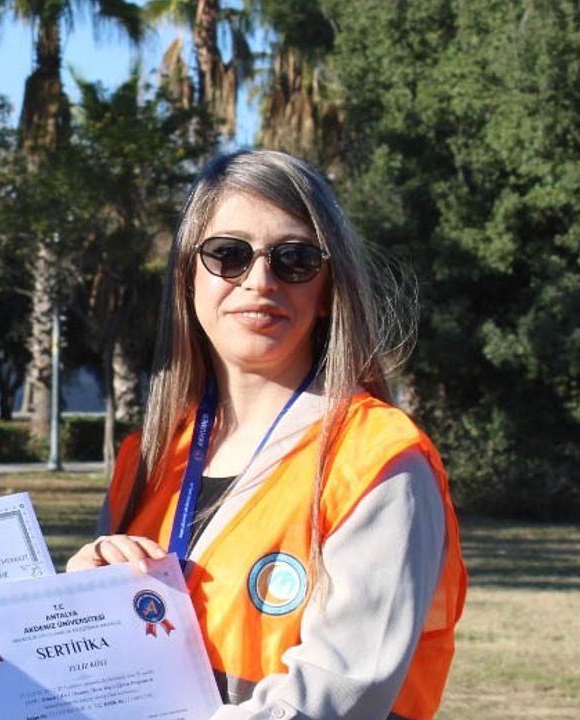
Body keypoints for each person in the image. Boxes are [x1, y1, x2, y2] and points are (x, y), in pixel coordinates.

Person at [66, 150, 467, 720]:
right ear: (187, 278)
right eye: (227, 255)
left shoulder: (378, 460)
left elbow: (338, 697)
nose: (259, 281)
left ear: (328, 290)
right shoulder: (147, 458)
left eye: (295, 260)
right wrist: (83, 599)